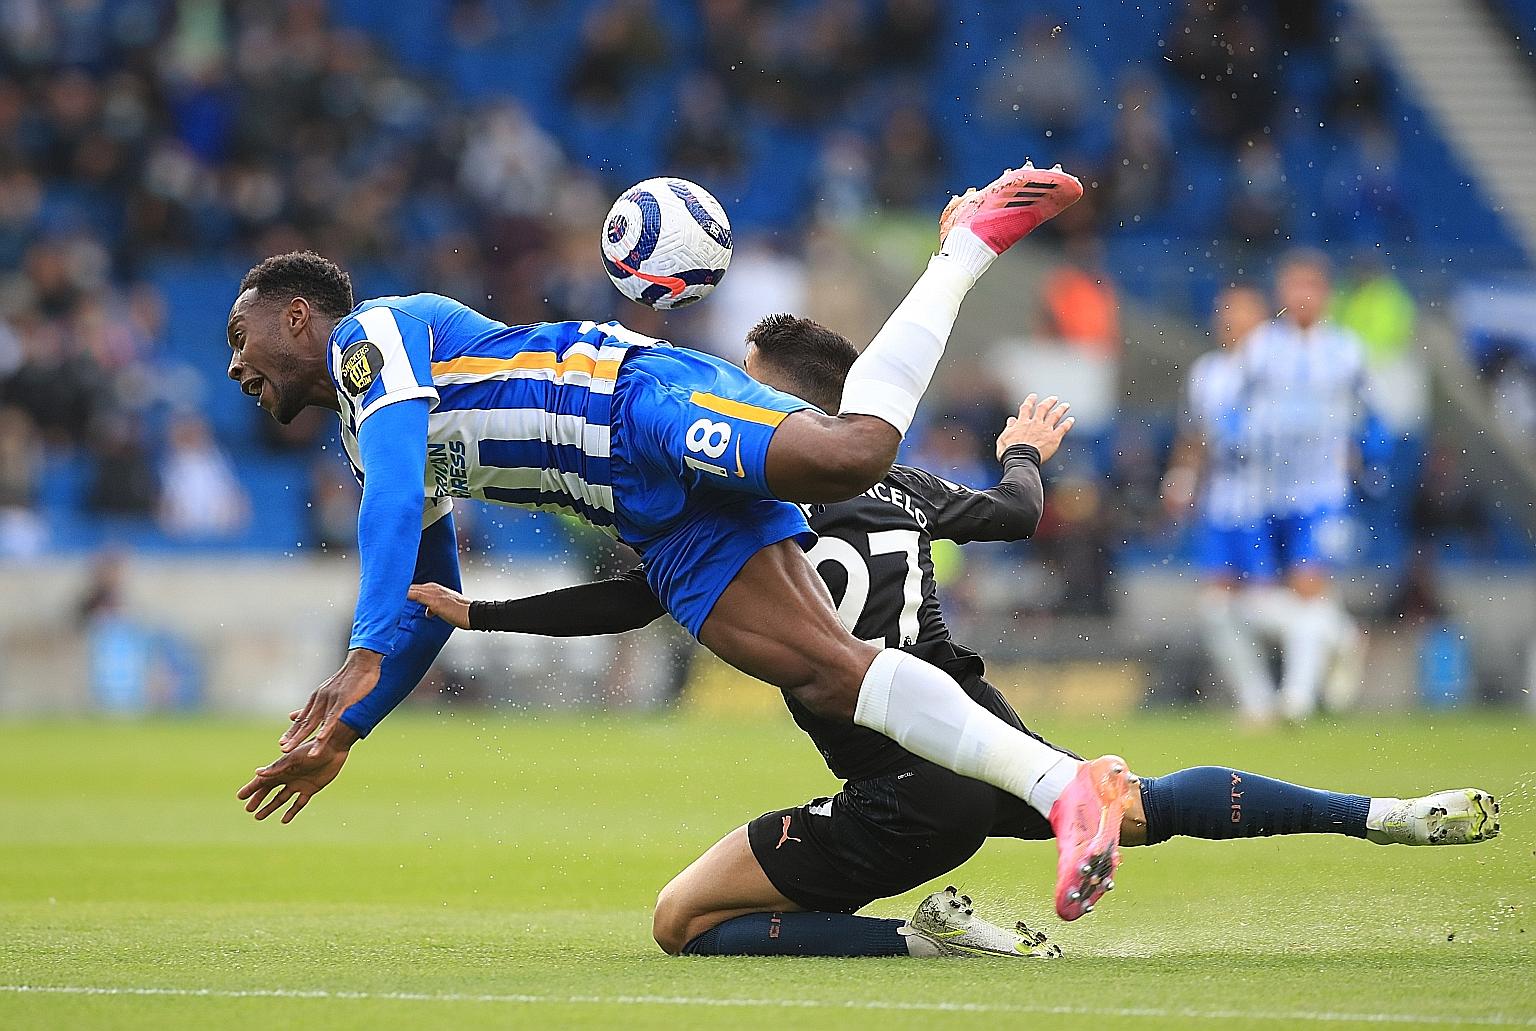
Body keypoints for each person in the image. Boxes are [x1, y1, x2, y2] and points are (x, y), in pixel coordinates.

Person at [409, 315, 1502, 960]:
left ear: (769, 398)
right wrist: (1024, 448)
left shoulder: (731, 500)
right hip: (985, 728)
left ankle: (919, 934)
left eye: (743, 381)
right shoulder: (897, 474)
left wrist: (487, 614)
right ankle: (1384, 813)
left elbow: (634, 598)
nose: (723, 390)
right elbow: (1020, 512)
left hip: (901, 779)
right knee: (1135, 800)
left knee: (682, 919)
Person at [231, 163, 1136, 922]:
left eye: (244, 336)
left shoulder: (372, 335)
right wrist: (351, 725)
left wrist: (358, 652)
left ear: (299, 318)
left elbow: (394, 495)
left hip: (635, 402)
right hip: (649, 517)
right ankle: (1067, 792)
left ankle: (964, 246)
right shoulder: (362, 439)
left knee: (853, 454)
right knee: (827, 668)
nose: (235, 363)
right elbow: (426, 609)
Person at [1238, 251, 1376, 720]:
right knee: (1259, 599)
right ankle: (1342, 637)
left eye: (1311, 286)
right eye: (1293, 286)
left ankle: (1295, 701)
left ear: (1325, 294)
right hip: (1267, 492)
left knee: (1306, 586)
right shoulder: (1260, 347)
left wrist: (1365, 453)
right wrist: (1240, 442)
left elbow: (1372, 415)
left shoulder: (1346, 350)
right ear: (1281, 292)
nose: (1301, 296)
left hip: (1320, 492)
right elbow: (1237, 411)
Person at [1163, 285, 1275, 721]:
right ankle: (1258, 702)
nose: (1228, 319)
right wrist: (1182, 478)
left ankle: (1330, 635)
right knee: (1216, 608)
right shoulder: (1207, 372)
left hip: (1271, 504)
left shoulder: (1277, 368)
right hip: (1224, 505)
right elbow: (1194, 435)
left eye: (1239, 311)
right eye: (1222, 311)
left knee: (1265, 607)